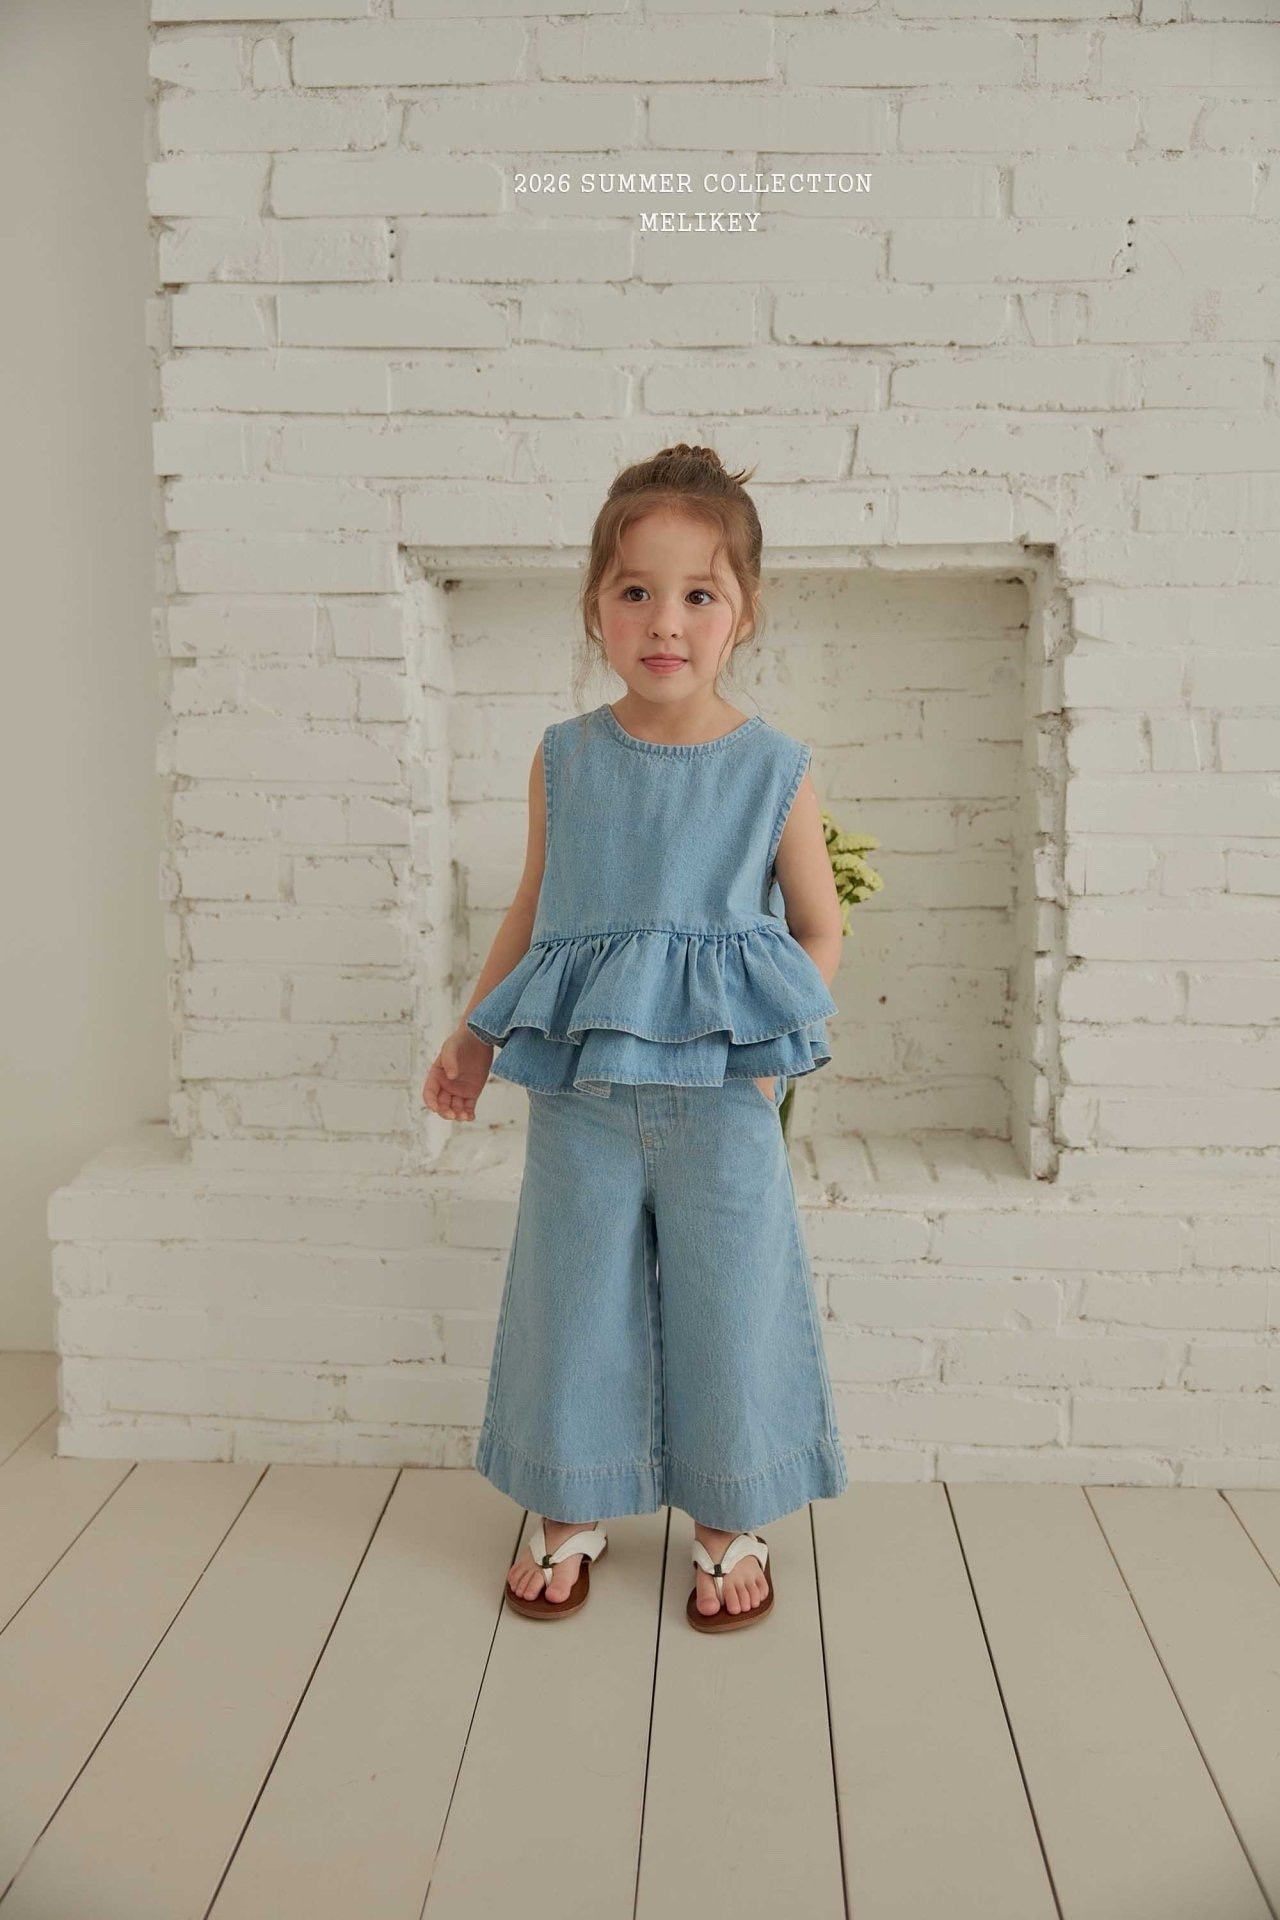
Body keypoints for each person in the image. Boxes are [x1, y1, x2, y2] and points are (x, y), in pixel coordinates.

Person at [422, 443, 849, 1634]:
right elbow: (532, 908)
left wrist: (767, 1060)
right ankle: (570, 1499)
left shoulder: (773, 769)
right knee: (571, 1298)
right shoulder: (565, 757)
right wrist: (472, 1035)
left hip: (722, 1095)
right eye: (635, 591)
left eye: (697, 593)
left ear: (741, 613)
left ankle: (727, 1513)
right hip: (584, 1093)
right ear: (596, 609)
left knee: (732, 1301)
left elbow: (818, 929)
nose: (665, 620)